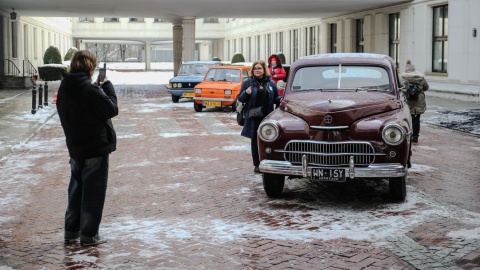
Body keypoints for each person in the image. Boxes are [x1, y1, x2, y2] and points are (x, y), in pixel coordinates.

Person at [56, 50, 118, 246]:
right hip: (95, 147)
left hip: (75, 146)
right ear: (90, 67)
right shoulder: (89, 90)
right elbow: (111, 109)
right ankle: (89, 234)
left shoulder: (65, 87)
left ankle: (71, 231)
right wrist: (107, 85)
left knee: (76, 190)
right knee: (93, 192)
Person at [238, 60, 281, 173]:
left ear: (264, 70)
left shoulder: (270, 83)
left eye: (259, 68)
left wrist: (282, 99)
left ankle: (267, 162)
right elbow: (240, 99)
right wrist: (246, 93)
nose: (257, 70)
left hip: (267, 116)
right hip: (253, 117)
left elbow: (276, 97)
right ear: (253, 70)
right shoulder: (248, 83)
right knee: (255, 141)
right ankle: (257, 164)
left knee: (269, 139)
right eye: (255, 68)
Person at [401, 59, 429, 143]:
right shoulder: (421, 77)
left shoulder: (402, 77)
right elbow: (426, 87)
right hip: (418, 100)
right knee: (416, 118)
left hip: (407, 100)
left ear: (406, 68)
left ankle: (406, 134)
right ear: (414, 68)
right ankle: (415, 136)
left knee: (406, 118)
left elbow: (400, 87)